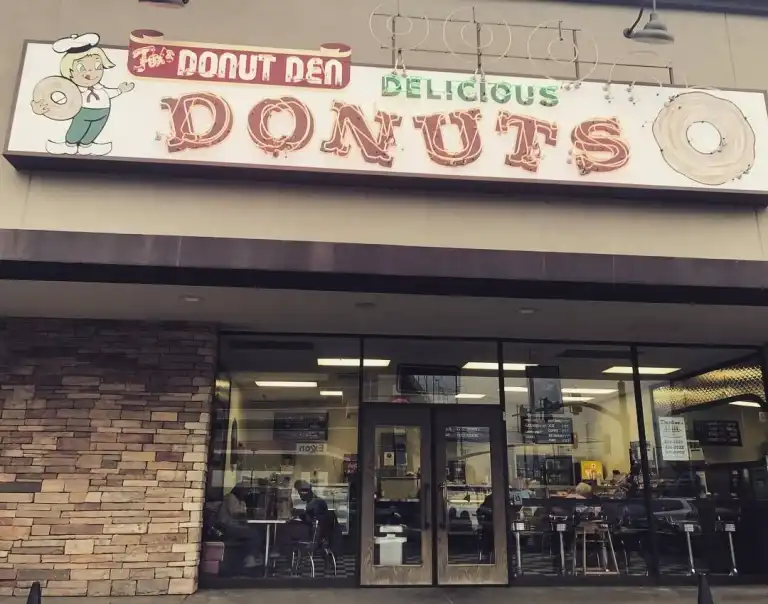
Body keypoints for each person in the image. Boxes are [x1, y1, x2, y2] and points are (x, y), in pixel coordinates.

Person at [217, 482, 264, 569]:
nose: (246, 493)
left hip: (237, 526)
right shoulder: (230, 497)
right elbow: (235, 513)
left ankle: (250, 557)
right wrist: (247, 514)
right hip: (226, 527)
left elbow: (243, 513)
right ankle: (251, 557)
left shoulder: (241, 501)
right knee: (254, 533)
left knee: (257, 532)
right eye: (244, 490)